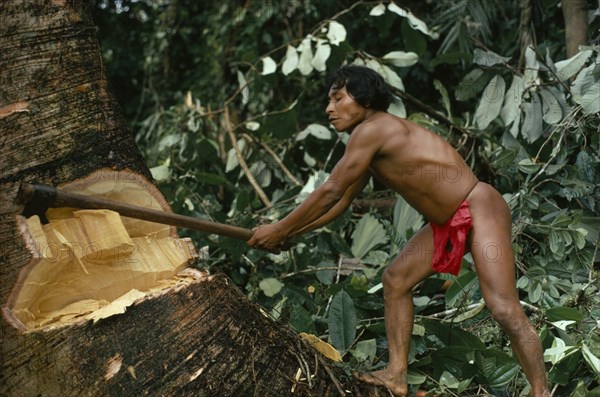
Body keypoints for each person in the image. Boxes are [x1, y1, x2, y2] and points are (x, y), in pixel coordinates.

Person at [247, 65, 550, 396]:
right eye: (328, 101)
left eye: (337, 98)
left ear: (363, 99)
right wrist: (293, 232)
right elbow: (342, 200)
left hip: (479, 207)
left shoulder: (373, 129)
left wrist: (279, 227)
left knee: (503, 307)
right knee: (395, 280)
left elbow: (331, 190)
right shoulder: (365, 141)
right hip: (447, 223)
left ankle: (540, 392)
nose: (328, 109)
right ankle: (396, 375)